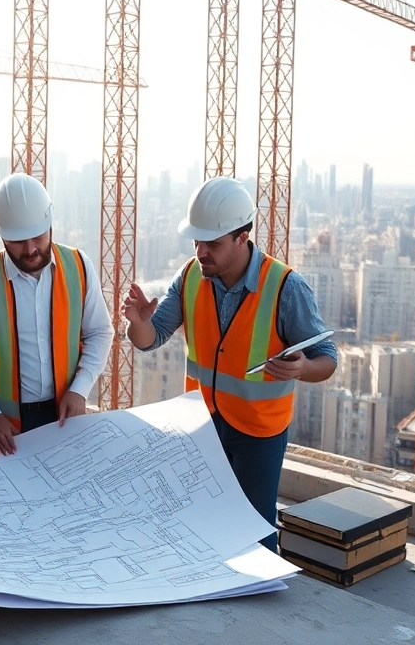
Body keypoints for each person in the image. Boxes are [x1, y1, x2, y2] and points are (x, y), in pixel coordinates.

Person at [122, 176, 336, 552]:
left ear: (242, 238)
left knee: (254, 530)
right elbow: (149, 340)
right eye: (197, 242)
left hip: (259, 432)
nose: (201, 252)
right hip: (203, 426)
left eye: (213, 244)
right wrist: (138, 323)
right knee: (204, 522)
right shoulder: (190, 275)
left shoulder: (286, 288)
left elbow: (327, 359)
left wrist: (303, 368)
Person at [0, 173, 114, 454]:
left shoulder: (79, 266)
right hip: (8, 428)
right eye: (18, 241)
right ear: (1, 235)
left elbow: (100, 332)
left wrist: (80, 388)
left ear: (50, 224)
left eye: (38, 237)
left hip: (67, 416)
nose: (31, 249)